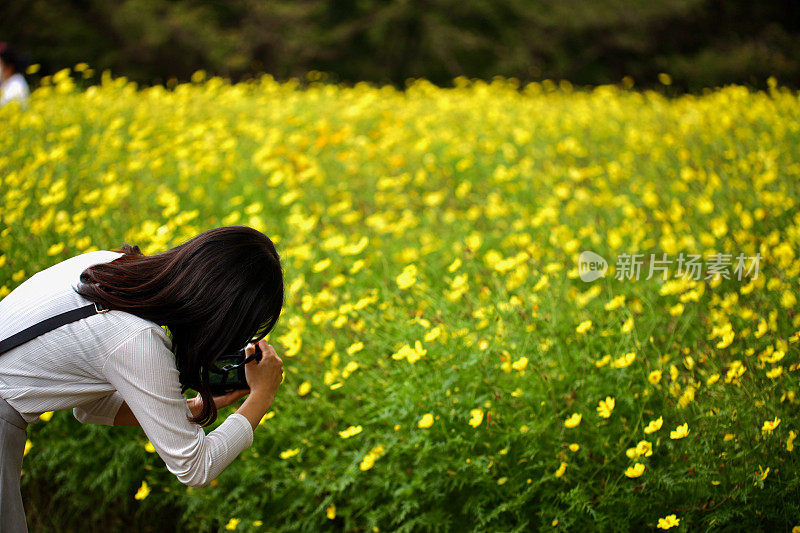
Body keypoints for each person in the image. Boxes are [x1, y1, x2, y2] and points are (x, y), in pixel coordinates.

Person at [0, 226, 286, 532]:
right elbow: (196, 467)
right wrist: (262, 395)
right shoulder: (138, 338)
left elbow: (90, 408)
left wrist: (193, 407)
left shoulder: (107, 266)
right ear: (221, 316)